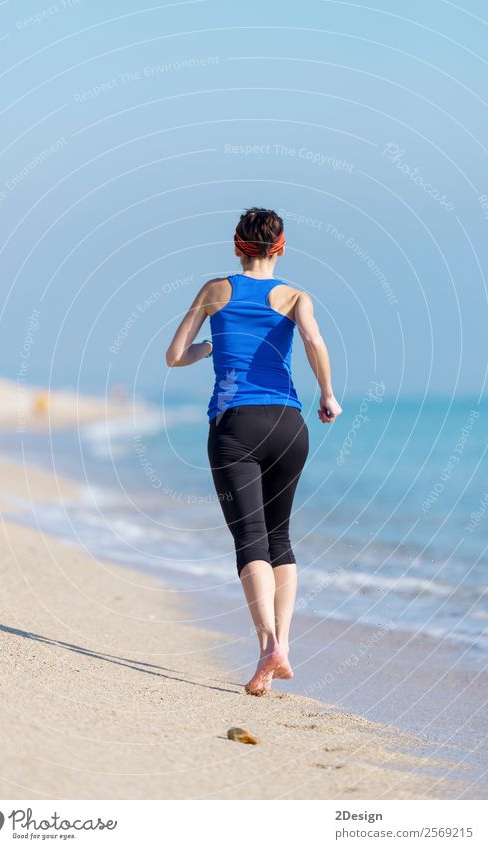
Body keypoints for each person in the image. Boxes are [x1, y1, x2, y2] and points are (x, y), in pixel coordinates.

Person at [166, 207, 342, 695]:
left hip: (235, 425)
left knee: (251, 538)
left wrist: (206, 350)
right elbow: (312, 339)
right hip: (289, 423)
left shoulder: (213, 291)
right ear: (281, 246)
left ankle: (268, 645)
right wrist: (327, 394)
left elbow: (174, 356)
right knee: (280, 536)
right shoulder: (295, 296)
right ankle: (283, 642)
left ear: (236, 244)